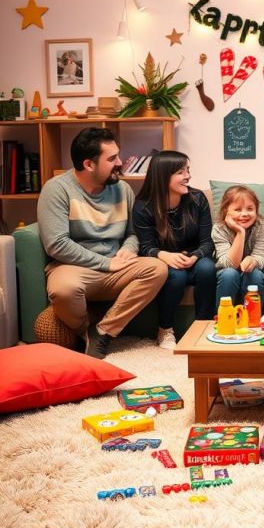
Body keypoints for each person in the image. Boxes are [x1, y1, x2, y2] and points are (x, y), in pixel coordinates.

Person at [37, 127, 167, 359]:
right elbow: (57, 244)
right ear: (89, 164)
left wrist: (127, 251)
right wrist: (106, 264)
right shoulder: (56, 189)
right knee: (64, 290)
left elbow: (132, 233)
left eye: (118, 155)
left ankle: (102, 332)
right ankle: (84, 327)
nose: (120, 162)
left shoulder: (122, 189)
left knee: (158, 269)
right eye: (111, 158)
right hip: (73, 267)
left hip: (116, 267)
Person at [133, 151, 216, 351]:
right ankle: (165, 329)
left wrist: (196, 256)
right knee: (176, 277)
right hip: (163, 261)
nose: (187, 176)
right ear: (163, 175)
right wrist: (165, 256)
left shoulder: (197, 199)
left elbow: (207, 243)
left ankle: (203, 328)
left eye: (188, 170)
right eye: (181, 171)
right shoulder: (143, 206)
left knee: (207, 269)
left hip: (195, 258)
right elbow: (145, 247)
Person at [212, 185, 264, 307]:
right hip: (227, 273)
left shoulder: (261, 225)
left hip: (251, 272)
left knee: (255, 274)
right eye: (238, 210)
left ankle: (252, 320)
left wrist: (253, 260)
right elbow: (230, 264)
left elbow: (261, 257)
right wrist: (240, 232)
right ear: (226, 211)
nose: (245, 214)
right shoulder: (219, 229)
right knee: (229, 274)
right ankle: (224, 320)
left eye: (250, 209)